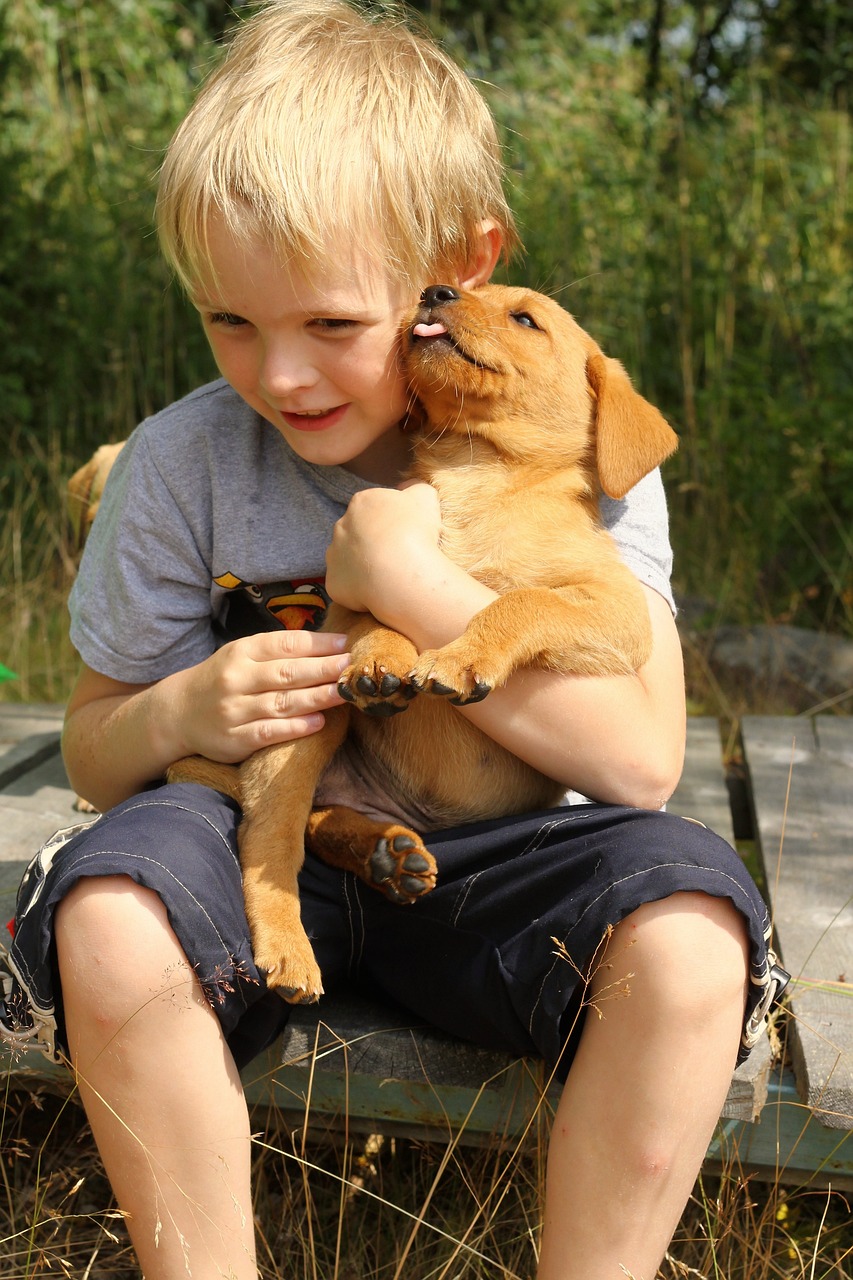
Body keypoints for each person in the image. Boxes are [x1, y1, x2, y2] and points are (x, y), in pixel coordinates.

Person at [0, 2, 787, 1277]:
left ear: (457, 270)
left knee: (690, 936)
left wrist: (414, 587)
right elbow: (95, 751)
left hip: (500, 856)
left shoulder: (578, 449)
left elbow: (641, 765)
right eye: (230, 322)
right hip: (271, 842)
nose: (282, 375)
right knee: (109, 914)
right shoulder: (180, 460)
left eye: (329, 323)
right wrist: (181, 712)